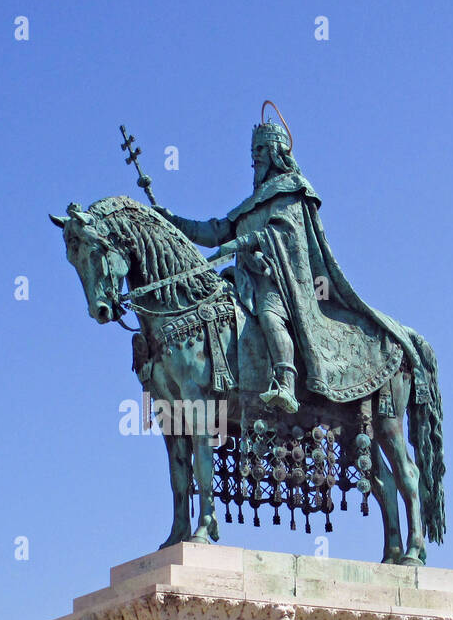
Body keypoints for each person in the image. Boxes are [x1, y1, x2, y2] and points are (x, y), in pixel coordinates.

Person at [152, 114, 418, 415]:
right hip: (244, 280)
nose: (256, 160)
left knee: (269, 314)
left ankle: (285, 384)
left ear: (277, 152)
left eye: (261, 152)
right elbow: (213, 231)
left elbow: (284, 231)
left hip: (281, 281)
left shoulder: (292, 189)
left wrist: (244, 242)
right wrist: (172, 220)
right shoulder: (250, 203)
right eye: (254, 154)